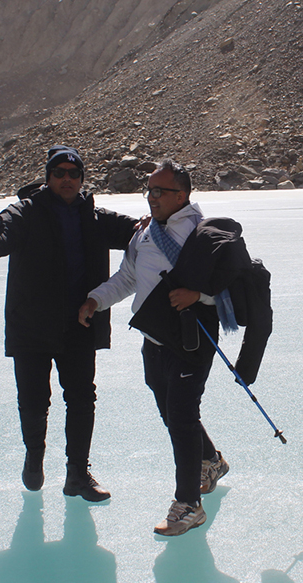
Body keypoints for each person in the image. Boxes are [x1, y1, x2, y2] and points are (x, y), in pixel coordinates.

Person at [78, 160, 266, 536]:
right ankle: (210, 460)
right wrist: (96, 300)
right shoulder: (145, 233)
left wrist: (199, 295)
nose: (151, 198)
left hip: (192, 337)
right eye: (148, 191)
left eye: (159, 192)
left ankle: (188, 505)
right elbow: (128, 277)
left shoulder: (204, 235)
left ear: (182, 195)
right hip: (153, 338)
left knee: (180, 416)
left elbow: (230, 288)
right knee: (170, 409)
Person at [0, 145, 138, 500]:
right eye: (59, 173)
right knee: (34, 400)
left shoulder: (94, 217)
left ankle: (78, 473)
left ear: (81, 179)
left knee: (81, 398)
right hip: (32, 324)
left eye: (73, 173)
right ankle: (34, 456)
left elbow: (139, 232)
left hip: (80, 322)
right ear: (48, 177)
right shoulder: (27, 211)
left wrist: (169, 222)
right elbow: (1, 233)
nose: (66, 179)